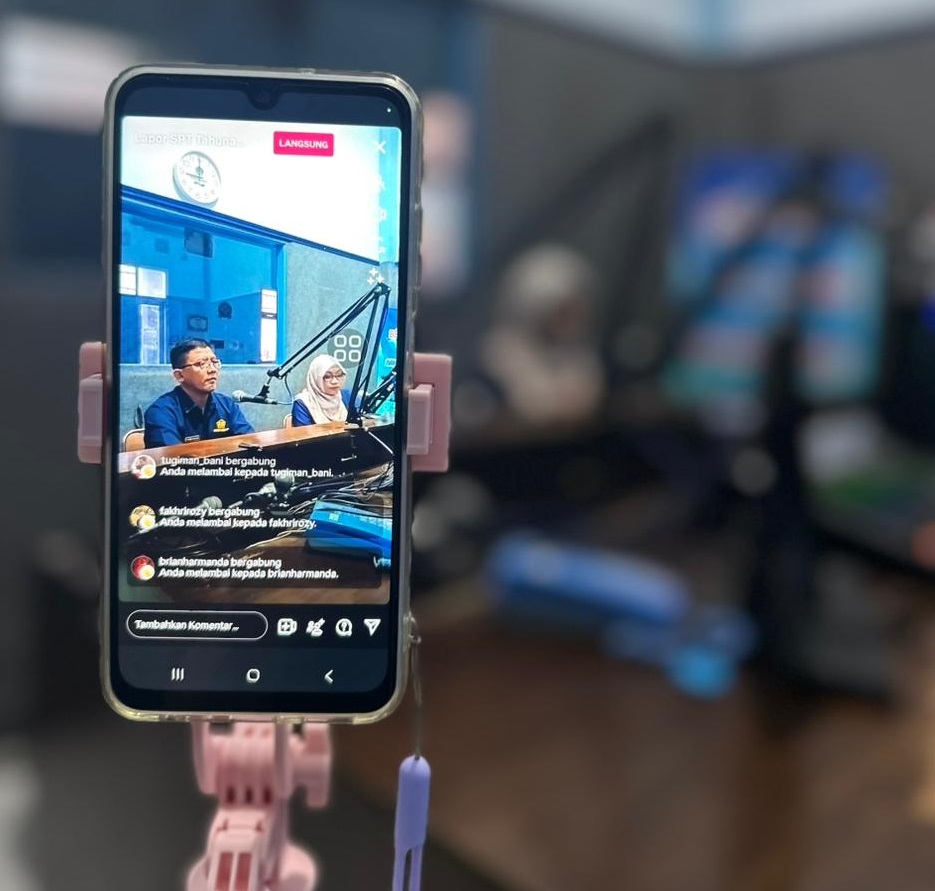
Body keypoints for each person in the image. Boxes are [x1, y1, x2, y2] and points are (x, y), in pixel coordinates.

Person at [143, 339, 254, 448]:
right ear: (179, 375)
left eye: (214, 362)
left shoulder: (227, 405)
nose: (212, 370)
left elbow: (250, 443)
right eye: (202, 364)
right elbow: (172, 456)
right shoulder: (161, 412)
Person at [292, 355, 348, 426]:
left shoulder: (346, 396)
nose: (335, 381)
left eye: (339, 375)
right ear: (316, 379)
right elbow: (303, 432)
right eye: (327, 376)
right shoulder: (302, 403)